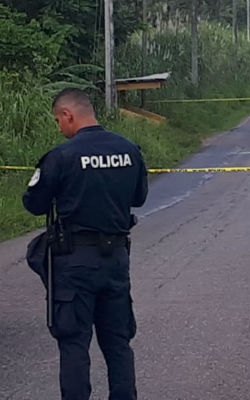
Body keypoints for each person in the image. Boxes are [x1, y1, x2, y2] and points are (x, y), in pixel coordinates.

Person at [23, 88, 148, 400]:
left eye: (57, 120)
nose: (59, 127)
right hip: (116, 259)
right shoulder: (129, 149)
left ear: (68, 115)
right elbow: (139, 198)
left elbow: (34, 203)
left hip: (73, 263)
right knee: (118, 342)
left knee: (74, 342)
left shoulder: (62, 156)